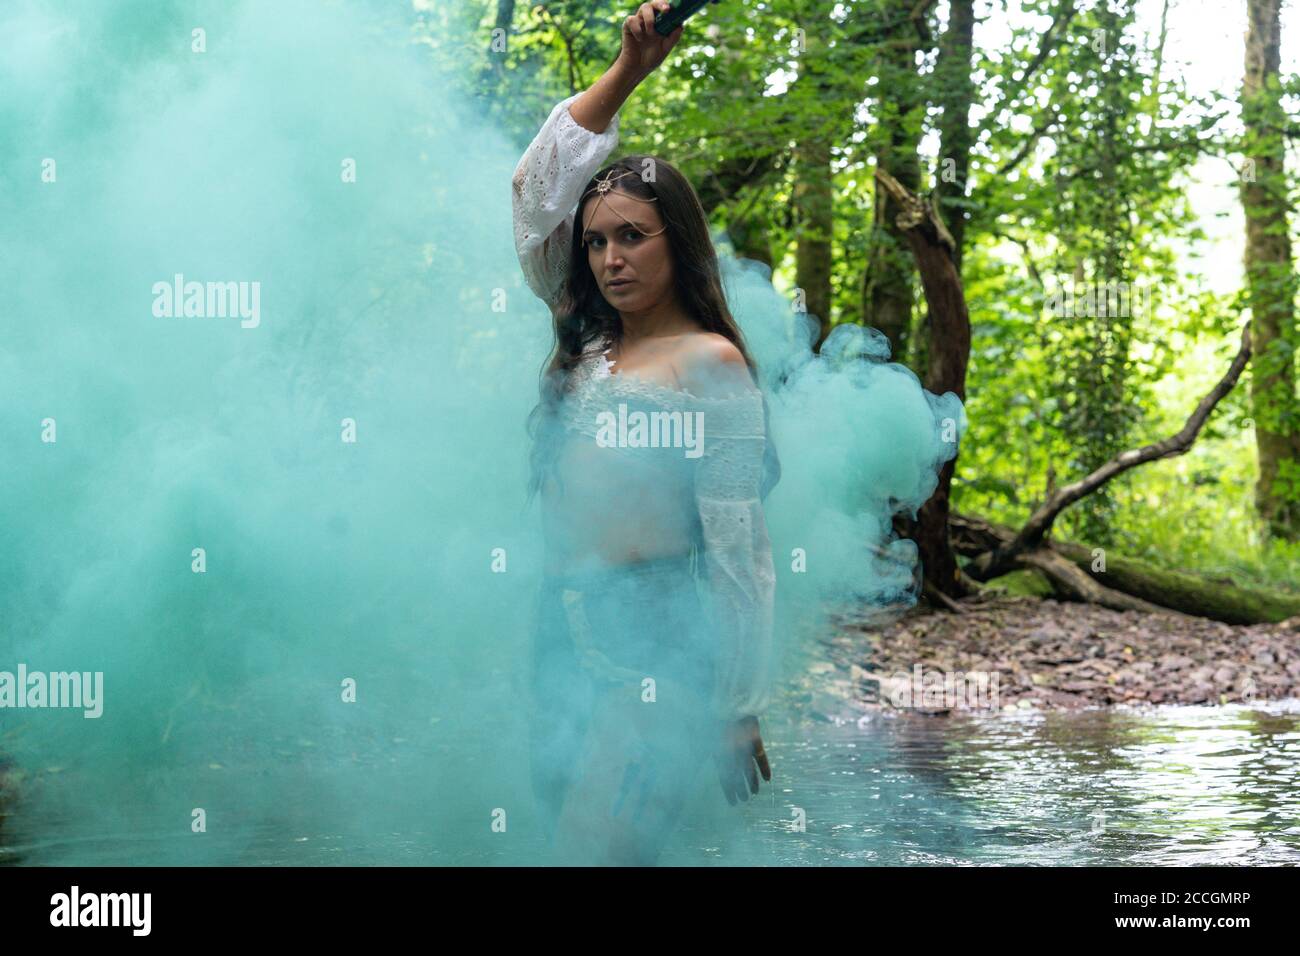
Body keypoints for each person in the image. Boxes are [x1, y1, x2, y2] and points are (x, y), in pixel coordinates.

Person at [511, 1, 776, 865]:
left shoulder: (712, 365)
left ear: (679, 244)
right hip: (558, 628)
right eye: (595, 243)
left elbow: (741, 548)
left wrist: (738, 705)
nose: (609, 258)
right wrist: (627, 71)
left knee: (597, 853)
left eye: (633, 237)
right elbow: (531, 194)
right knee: (569, 845)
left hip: (653, 637)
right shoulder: (585, 341)